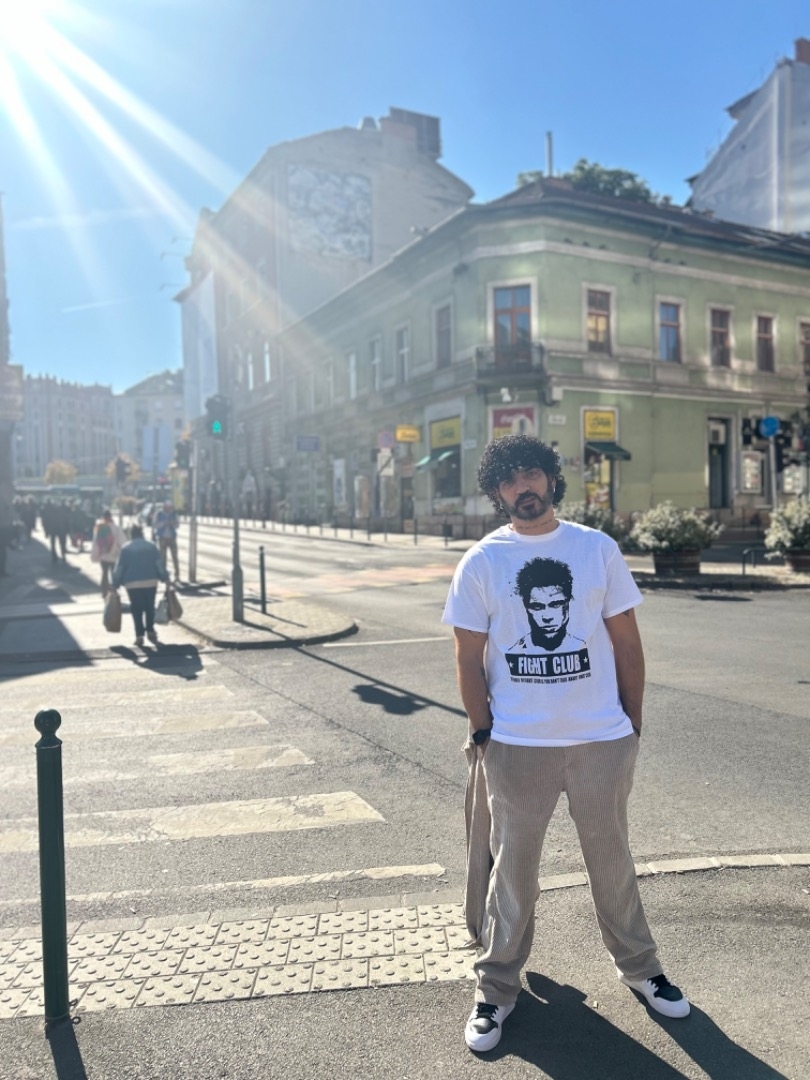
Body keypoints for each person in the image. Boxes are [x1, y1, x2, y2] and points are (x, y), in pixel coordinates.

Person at [442, 435, 689, 1054]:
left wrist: (631, 726)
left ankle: (641, 968)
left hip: (600, 741)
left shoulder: (595, 548)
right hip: (517, 745)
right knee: (512, 871)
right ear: (496, 492)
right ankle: (497, 988)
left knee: (612, 860)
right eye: (509, 480)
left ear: (552, 479)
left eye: (532, 474)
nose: (522, 487)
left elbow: (627, 642)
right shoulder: (482, 560)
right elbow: (467, 657)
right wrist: (484, 732)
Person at [111, 523, 168, 647]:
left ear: (131, 535)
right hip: (151, 581)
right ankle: (150, 631)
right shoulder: (151, 546)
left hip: (132, 583)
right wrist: (165, 578)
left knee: (136, 609)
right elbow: (159, 564)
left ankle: (139, 636)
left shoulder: (126, 548)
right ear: (142, 534)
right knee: (149, 607)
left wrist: (115, 583)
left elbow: (120, 568)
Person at [90, 509, 126, 597]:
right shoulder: (116, 528)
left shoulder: (99, 528)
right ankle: (114, 591)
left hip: (103, 556)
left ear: (103, 518)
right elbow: (123, 542)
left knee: (104, 573)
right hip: (114, 556)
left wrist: (94, 555)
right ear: (111, 517)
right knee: (113, 573)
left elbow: (95, 543)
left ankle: (104, 592)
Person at [154, 500, 180, 580]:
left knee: (175, 557)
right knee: (163, 558)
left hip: (172, 537)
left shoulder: (174, 514)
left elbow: (177, 525)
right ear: (164, 507)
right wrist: (163, 523)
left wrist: (173, 523)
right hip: (162, 538)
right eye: (167, 507)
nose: (169, 509)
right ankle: (164, 575)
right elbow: (155, 524)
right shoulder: (159, 514)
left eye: (170, 507)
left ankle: (177, 575)